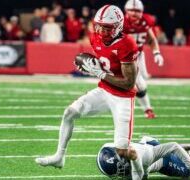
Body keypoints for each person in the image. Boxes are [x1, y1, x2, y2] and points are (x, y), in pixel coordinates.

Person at [36, 5, 138, 168]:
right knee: (70, 112)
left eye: (106, 28)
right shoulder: (94, 37)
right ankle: (59, 156)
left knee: (122, 151)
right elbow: (103, 66)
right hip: (104, 90)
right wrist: (91, 67)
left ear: (118, 27)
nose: (101, 31)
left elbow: (128, 83)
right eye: (98, 26)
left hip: (122, 98)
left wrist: (100, 73)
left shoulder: (127, 44)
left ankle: (152, 153)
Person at [97, 126, 190, 180]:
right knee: (167, 152)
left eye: (121, 167)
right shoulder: (114, 148)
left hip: (152, 155)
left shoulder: (140, 160)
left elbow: (173, 146)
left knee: (187, 171)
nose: (122, 172)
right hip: (148, 145)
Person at [123, 0, 164, 119]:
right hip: (123, 56)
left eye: (137, 11)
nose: (134, 14)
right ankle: (148, 109)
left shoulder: (146, 21)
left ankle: (146, 108)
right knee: (139, 83)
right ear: (126, 11)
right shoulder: (121, 23)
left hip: (138, 55)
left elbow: (151, 39)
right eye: (131, 10)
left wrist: (157, 53)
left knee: (142, 82)